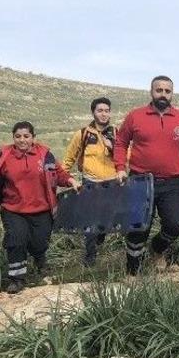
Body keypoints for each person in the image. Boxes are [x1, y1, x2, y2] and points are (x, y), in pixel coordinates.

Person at [0, 121, 80, 294]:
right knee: (16, 241)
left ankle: (40, 259)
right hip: (13, 209)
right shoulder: (5, 157)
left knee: (39, 243)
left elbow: (58, 173)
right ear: (13, 138)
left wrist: (71, 181)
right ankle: (17, 279)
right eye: (18, 136)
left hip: (42, 209)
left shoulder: (44, 154)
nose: (22, 140)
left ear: (33, 137)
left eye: (26, 136)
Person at [113, 75, 179, 274]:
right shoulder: (135, 116)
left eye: (167, 91)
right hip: (140, 181)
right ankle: (133, 271)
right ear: (151, 91)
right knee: (138, 227)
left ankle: (156, 249)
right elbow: (120, 143)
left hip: (173, 183)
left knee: (174, 226)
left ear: (172, 94)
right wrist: (120, 167)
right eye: (159, 90)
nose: (163, 94)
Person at [61, 96, 118, 266]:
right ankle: (90, 255)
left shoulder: (117, 133)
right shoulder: (83, 134)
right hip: (90, 182)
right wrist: (63, 177)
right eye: (100, 110)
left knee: (107, 217)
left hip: (112, 183)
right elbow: (69, 158)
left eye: (106, 111)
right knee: (91, 218)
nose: (104, 114)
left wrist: (113, 147)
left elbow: (128, 156)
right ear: (93, 112)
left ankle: (100, 236)